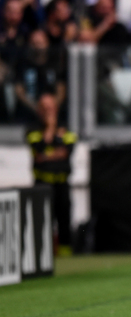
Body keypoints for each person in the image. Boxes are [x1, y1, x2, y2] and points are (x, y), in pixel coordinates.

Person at [26, 93, 77, 256]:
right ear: (39, 110)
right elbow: (38, 152)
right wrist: (50, 129)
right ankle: (41, 253)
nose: (48, 111)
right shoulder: (32, 128)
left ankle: (65, 251)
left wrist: (46, 154)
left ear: (56, 108)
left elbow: (66, 151)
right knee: (41, 220)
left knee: (64, 218)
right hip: (42, 183)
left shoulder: (66, 127)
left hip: (61, 182)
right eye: (44, 108)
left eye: (51, 107)